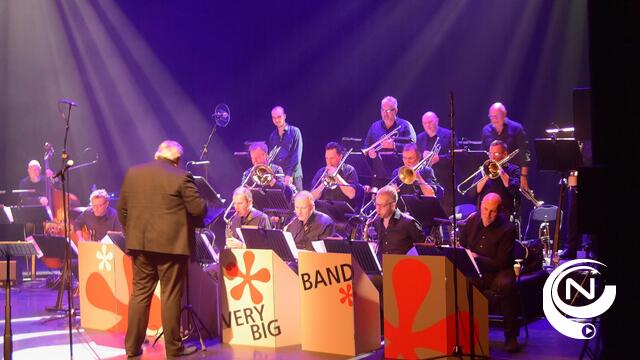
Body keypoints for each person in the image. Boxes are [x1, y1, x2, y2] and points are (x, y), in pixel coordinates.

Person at [119, 140, 207, 358]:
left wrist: (133, 233)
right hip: (171, 247)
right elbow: (198, 208)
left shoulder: (134, 173)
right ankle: (173, 349)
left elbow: (122, 211)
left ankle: (132, 347)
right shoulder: (181, 176)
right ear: (177, 159)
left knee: (140, 295)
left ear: (157, 154)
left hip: (140, 245)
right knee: (170, 296)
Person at [459, 193, 520, 353]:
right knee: (460, 282)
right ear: (481, 207)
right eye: (485, 209)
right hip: (477, 270)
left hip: (499, 270)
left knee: (507, 285)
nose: (487, 214)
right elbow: (462, 245)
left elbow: (501, 262)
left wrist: (477, 257)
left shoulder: (507, 229)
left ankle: (511, 336)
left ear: (499, 211)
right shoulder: (472, 221)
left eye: (492, 211)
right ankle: (473, 337)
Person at [481, 102, 531, 190]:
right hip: (493, 174)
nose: (494, 119)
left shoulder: (517, 128)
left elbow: (525, 154)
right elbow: (483, 154)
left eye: (497, 115)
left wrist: (524, 176)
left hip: (512, 174)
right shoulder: (486, 130)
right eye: (491, 116)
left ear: (504, 114)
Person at [416, 111, 458, 215]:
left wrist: (439, 158)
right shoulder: (419, 138)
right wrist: (422, 156)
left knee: (446, 215)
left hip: (445, 183)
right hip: (426, 183)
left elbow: (457, 157)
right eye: (425, 123)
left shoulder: (449, 135)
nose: (428, 125)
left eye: (430, 122)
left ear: (437, 121)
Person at [369, 186, 424, 259]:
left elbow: (424, 249)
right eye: (376, 204)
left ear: (393, 205)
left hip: (402, 268)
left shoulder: (409, 223)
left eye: (382, 205)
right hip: (383, 267)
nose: (377, 209)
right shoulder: (377, 221)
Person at [471, 140, 520, 217]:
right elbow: (473, 192)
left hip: (504, 213)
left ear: (505, 154)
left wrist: (500, 170)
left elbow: (514, 190)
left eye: (496, 154)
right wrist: (486, 175)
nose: (492, 157)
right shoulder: (484, 169)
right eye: (490, 154)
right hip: (484, 213)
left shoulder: (514, 169)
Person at [311, 142, 359, 208]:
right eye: (326, 158)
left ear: (340, 157)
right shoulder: (321, 172)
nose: (329, 162)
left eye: (332, 158)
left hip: (343, 212)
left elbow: (351, 194)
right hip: (325, 211)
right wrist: (324, 183)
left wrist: (336, 176)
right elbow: (311, 198)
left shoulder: (349, 170)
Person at [267, 106, 304, 192]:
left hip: (293, 176)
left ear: (284, 116)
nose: (276, 120)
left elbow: (296, 155)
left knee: (298, 202)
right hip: (279, 177)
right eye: (274, 118)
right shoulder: (272, 136)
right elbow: (272, 157)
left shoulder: (295, 131)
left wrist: (289, 174)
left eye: (279, 117)